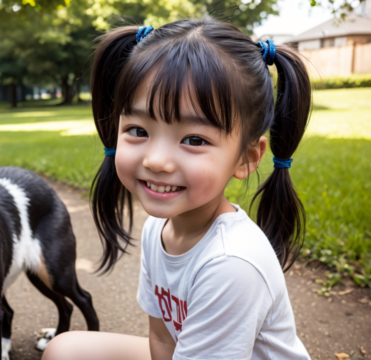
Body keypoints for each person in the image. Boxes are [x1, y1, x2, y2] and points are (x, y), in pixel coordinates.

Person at [42, 16, 312, 360]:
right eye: (138, 130)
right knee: (65, 350)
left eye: (194, 139)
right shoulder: (159, 229)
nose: (156, 160)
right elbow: (164, 341)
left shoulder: (232, 265)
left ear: (246, 158)